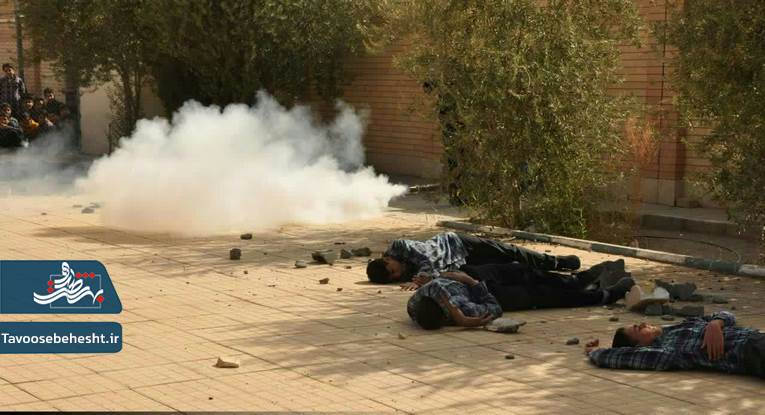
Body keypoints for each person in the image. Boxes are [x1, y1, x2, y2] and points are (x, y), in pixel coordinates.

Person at [366, 231, 581, 289]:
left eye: (392, 271)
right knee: (505, 268)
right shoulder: (403, 272)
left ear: (387, 260)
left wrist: (421, 278)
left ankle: (555, 262)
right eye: (393, 278)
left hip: (457, 244)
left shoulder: (399, 246)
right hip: (459, 263)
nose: (397, 274)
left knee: (509, 251)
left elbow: (427, 258)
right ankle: (554, 276)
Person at [584, 311, 764, 379]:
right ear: (638, 347)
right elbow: (621, 357)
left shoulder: (681, 325)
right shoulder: (663, 351)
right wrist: (595, 351)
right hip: (749, 351)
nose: (644, 323)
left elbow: (728, 315)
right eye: (639, 328)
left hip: (757, 337)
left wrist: (715, 323)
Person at [442, 261, 635, 310]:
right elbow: (492, 311)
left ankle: (576, 281)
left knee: (520, 270)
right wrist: (471, 283)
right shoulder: (455, 309)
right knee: (541, 294)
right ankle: (603, 296)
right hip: (484, 295)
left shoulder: (430, 290)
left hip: (467, 276)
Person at [407, 271, 502, 330]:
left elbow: (435, 286)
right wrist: (470, 281)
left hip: (460, 273)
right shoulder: (466, 310)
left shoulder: (413, 306)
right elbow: (496, 308)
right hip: (480, 287)